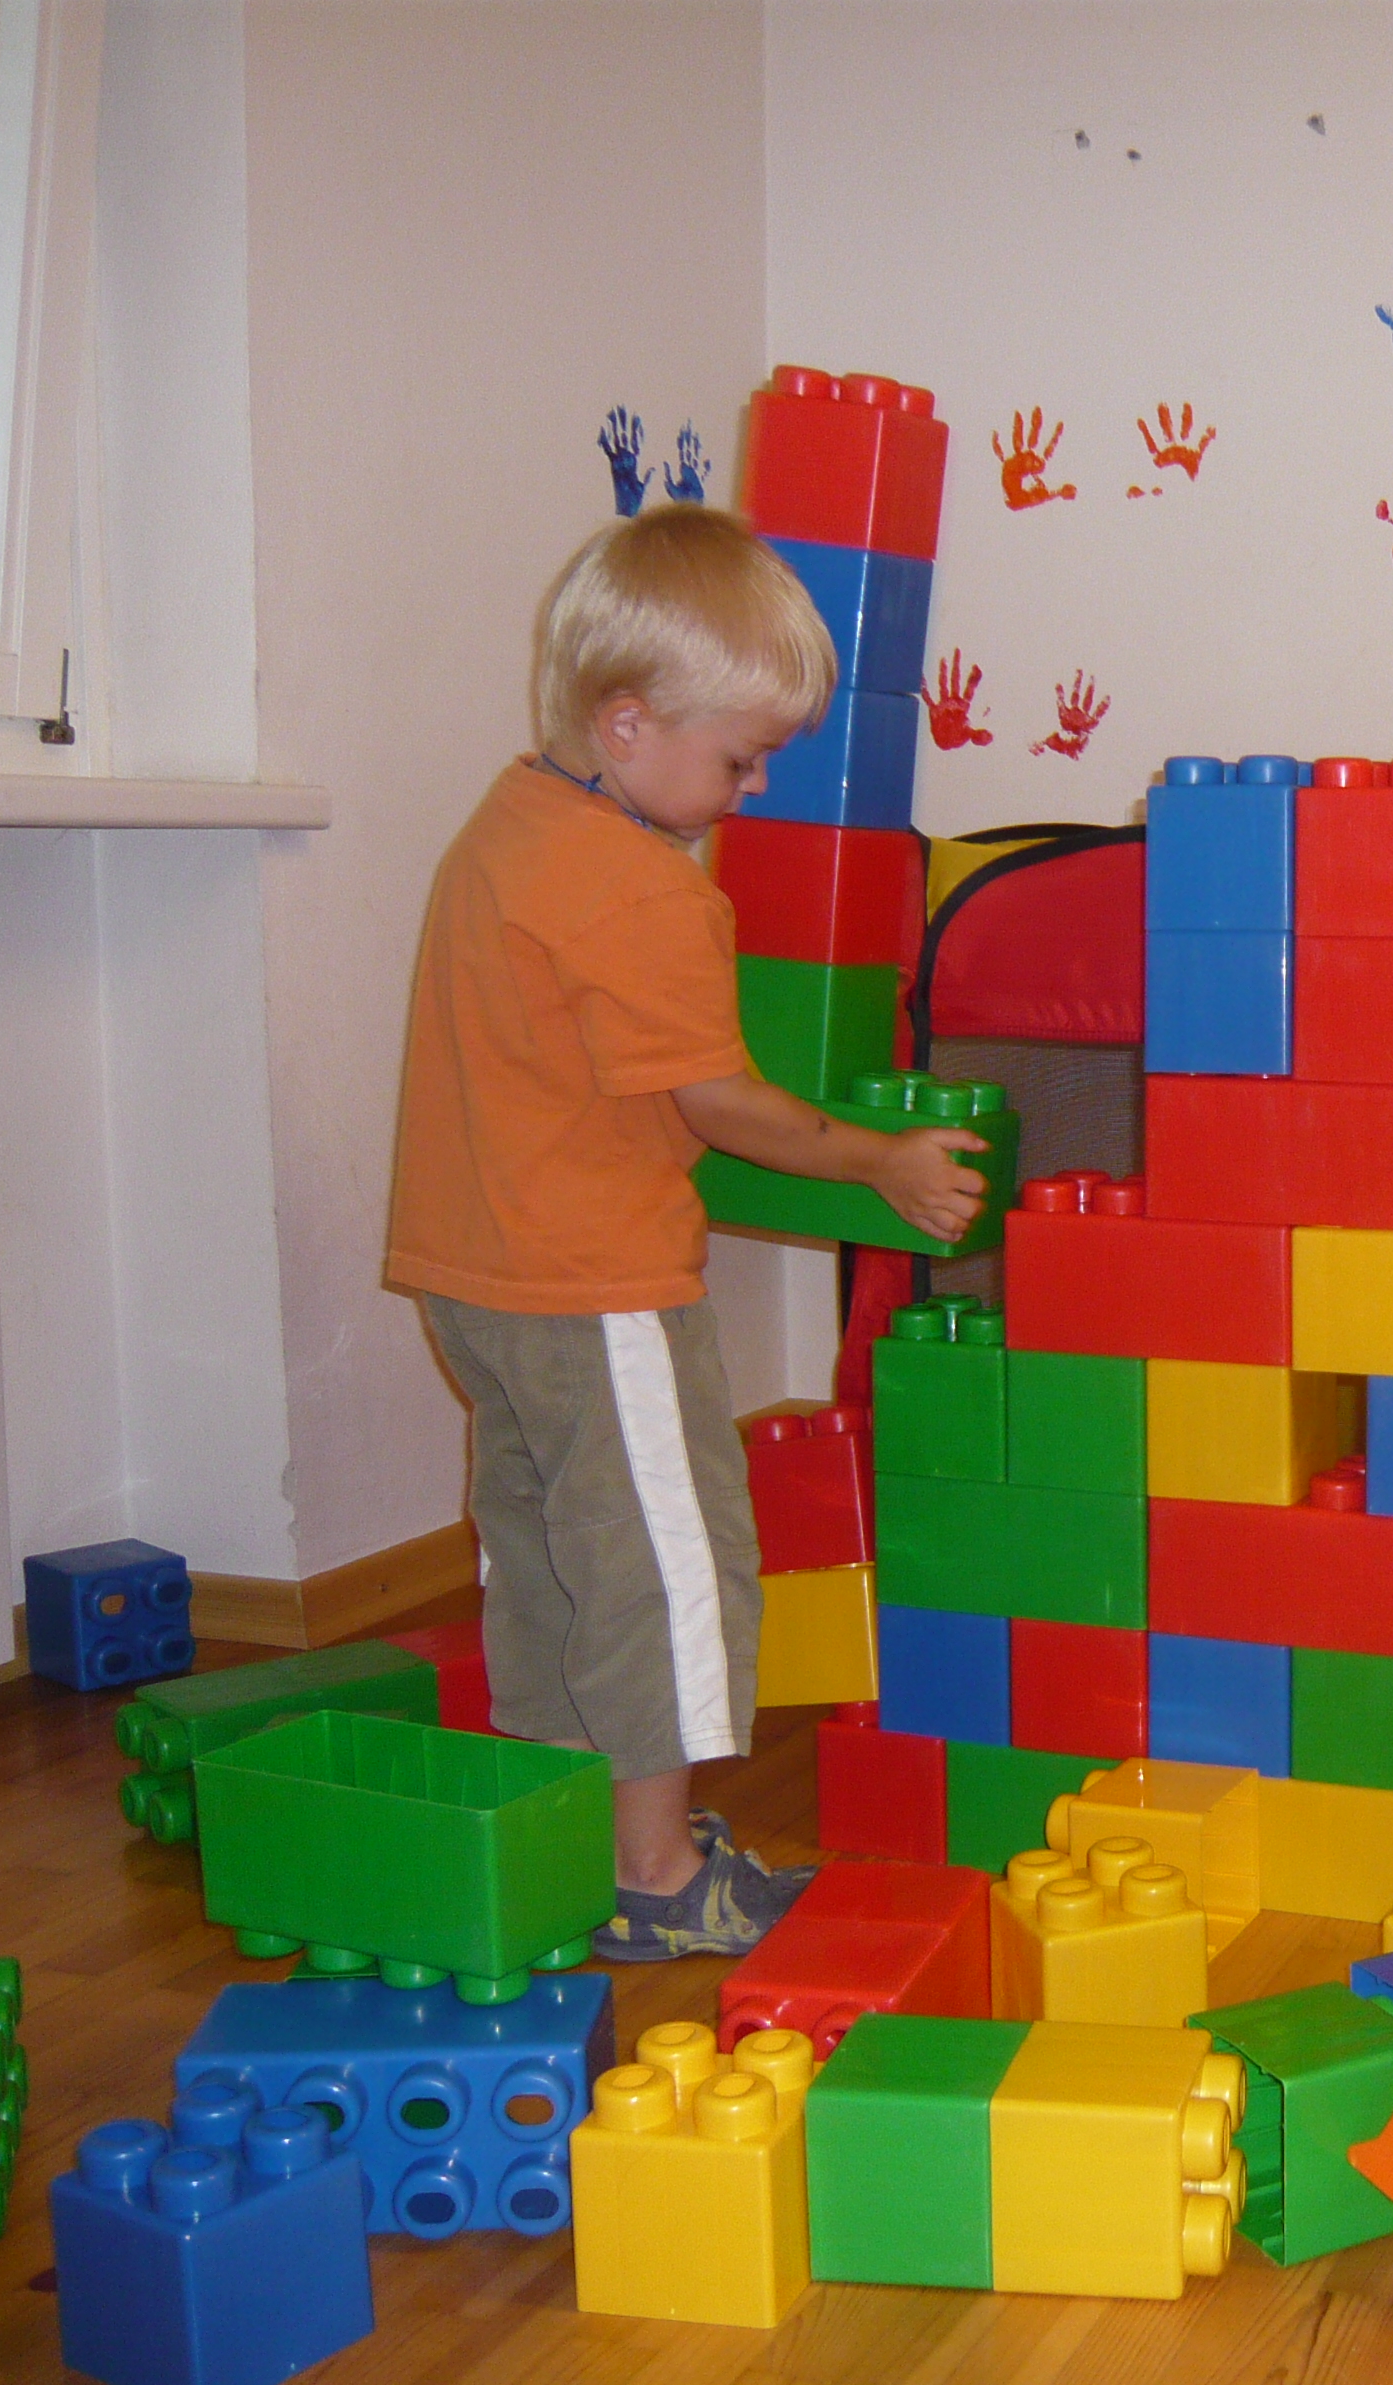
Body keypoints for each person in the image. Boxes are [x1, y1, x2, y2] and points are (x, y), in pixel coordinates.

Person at [385, 504, 988, 1959]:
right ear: (629, 722)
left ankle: (569, 1842)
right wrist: (883, 1162)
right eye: (739, 758)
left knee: (548, 1556)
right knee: (663, 1567)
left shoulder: (511, 822)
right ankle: (657, 1876)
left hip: (476, 1278)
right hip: (593, 1286)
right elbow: (723, 1105)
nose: (754, 786)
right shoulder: (640, 885)